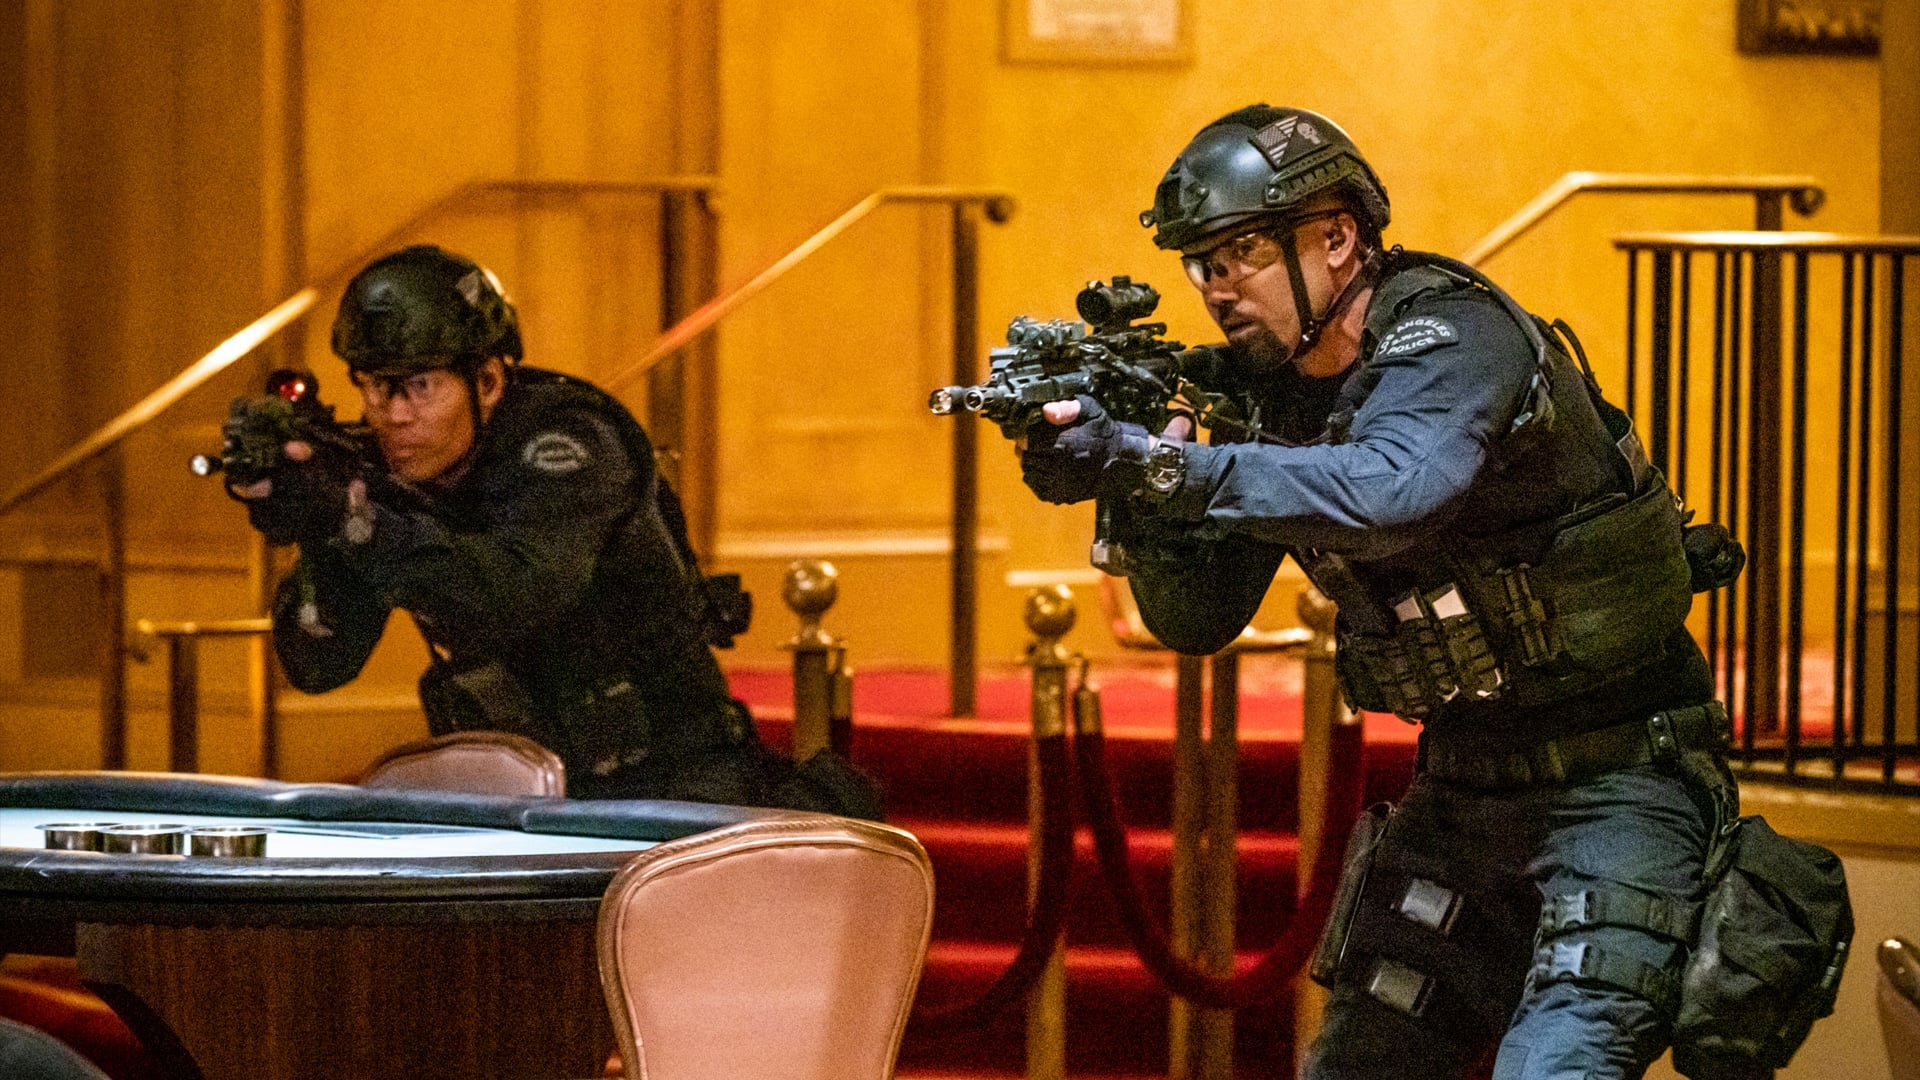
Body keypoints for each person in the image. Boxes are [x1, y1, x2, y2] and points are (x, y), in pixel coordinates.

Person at [1018, 106, 1755, 1078]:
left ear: (1337, 238)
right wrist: (1144, 487)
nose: (1219, 287)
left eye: (1244, 251)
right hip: (1462, 788)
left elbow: (1390, 491)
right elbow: (1196, 617)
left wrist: (1164, 468)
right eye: (1203, 264)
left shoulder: (1455, 333)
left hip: (1620, 780)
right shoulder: (1272, 390)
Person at [231, 244, 878, 817]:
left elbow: (511, 594)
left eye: (419, 387)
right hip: (527, 796)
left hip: (672, 786)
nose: (392, 415)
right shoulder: (387, 473)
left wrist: (356, 521)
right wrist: (321, 523)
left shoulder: (568, 444)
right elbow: (318, 664)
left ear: (488, 381)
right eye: (373, 388)